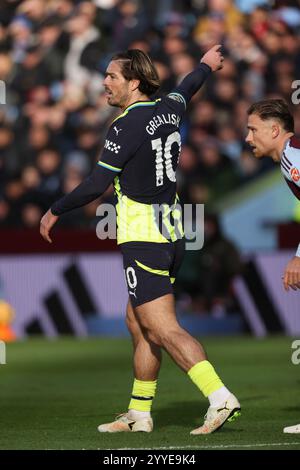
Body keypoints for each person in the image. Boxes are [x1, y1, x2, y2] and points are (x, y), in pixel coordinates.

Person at [40, 46, 241, 435]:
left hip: (144, 237)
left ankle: (219, 397)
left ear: (133, 83)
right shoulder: (169, 108)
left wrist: (55, 210)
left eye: (112, 77)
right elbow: (189, 85)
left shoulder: (125, 125)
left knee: (162, 327)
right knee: (138, 322)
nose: (104, 83)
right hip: (173, 232)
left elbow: (97, 183)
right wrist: (206, 64)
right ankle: (140, 412)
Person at [246, 98, 300, 434]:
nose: (248, 137)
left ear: (274, 129)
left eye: (253, 129)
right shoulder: (289, 157)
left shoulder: (293, 155)